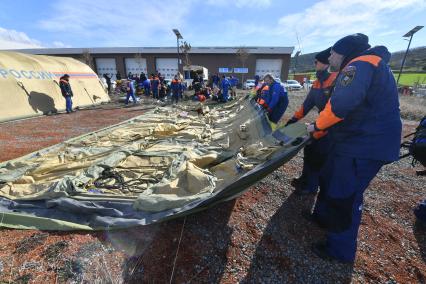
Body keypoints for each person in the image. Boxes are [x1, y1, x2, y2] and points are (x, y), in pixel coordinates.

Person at [306, 33, 402, 263]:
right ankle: (322, 218)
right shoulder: (365, 64)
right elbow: (337, 104)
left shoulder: (359, 65)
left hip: (363, 145)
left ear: (343, 52)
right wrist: (320, 129)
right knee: (330, 179)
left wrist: (315, 126)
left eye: (332, 52)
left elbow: (340, 106)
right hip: (354, 141)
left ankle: (339, 250)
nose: (330, 56)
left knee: (344, 195)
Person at [286, 47, 337, 195]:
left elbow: (334, 111)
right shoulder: (317, 83)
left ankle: (311, 187)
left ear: (326, 64)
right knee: (309, 148)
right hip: (322, 121)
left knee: (318, 154)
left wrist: (318, 129)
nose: (314, 64)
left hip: (332, 125)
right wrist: (293, 119)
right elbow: (307, 105)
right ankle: (305, 178)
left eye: (316, 62)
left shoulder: (334, 81)